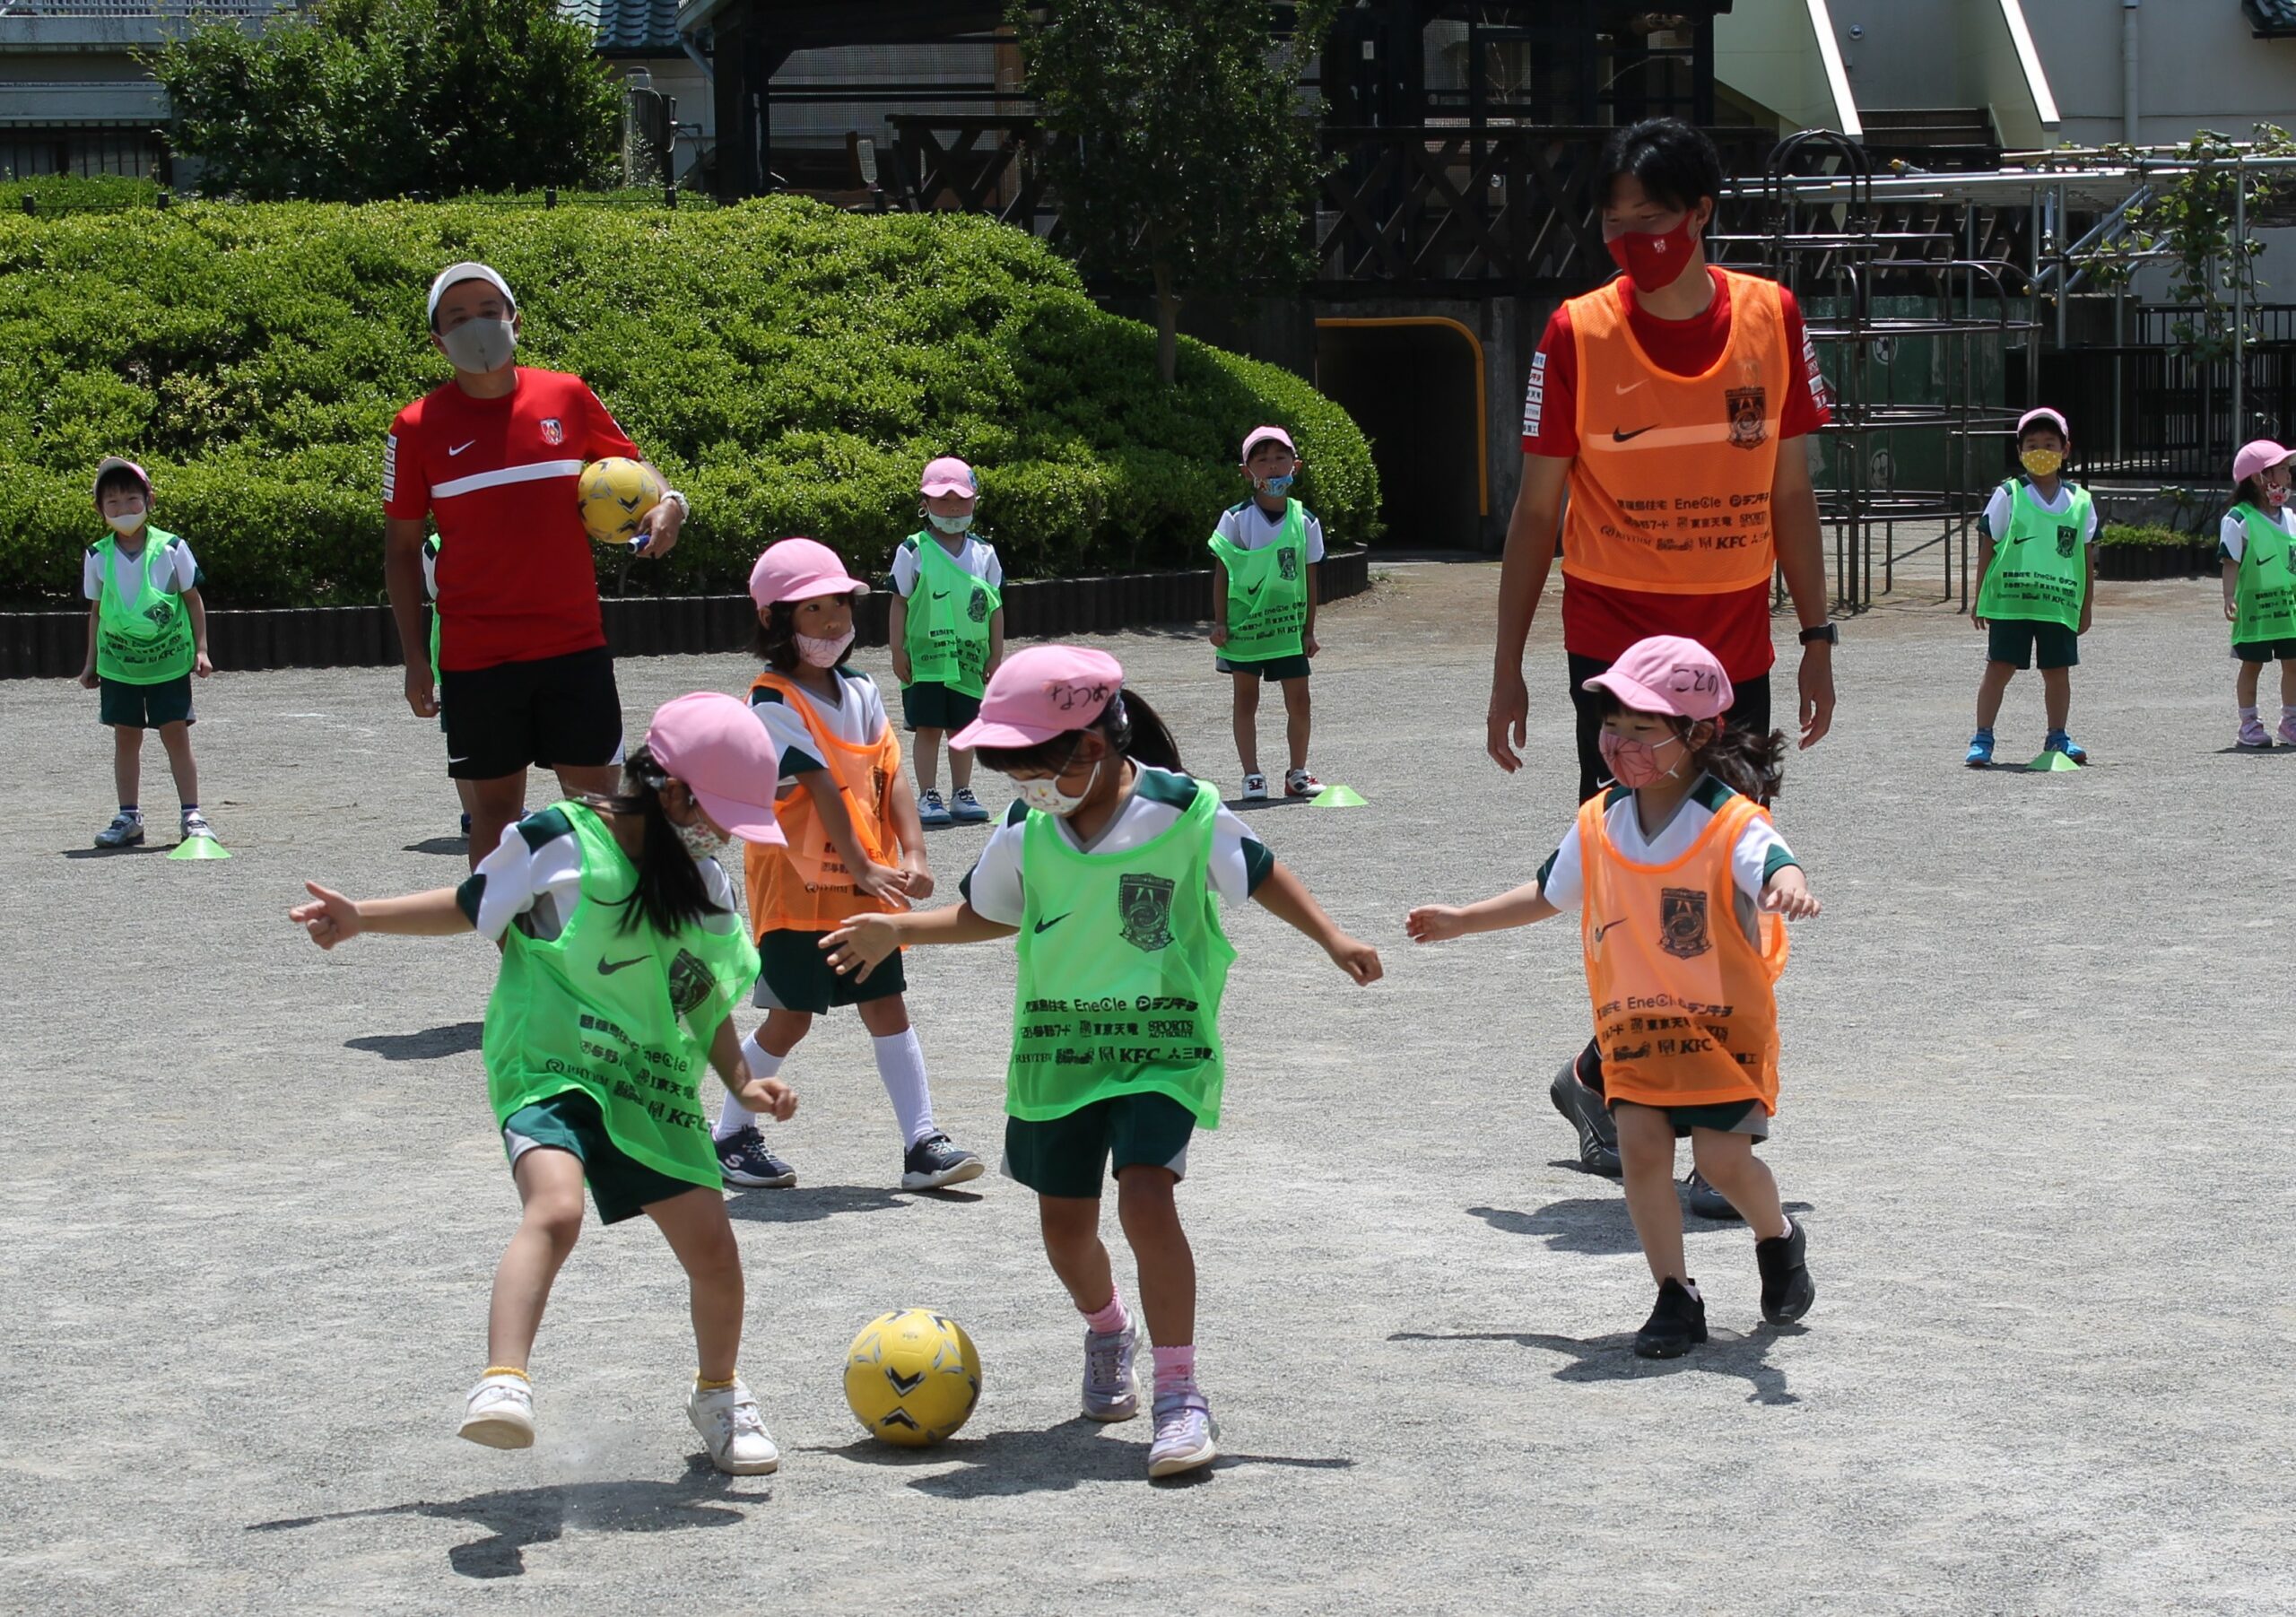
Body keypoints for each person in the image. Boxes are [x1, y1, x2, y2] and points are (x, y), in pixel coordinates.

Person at [820, 646, 1382, 1478]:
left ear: (1093, 744)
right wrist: (895, 928)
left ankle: (1181, 1394)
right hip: (1059, 1051)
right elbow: (987, 915)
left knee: (1148, 1200)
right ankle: (1109, 1326)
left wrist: (1333, 937)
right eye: (1012, 775)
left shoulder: (1185, 810)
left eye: (1033, 769)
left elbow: (1260, 872)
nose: (1025, 789)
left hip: (1161, 1044)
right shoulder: (1027, 829)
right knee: (1064, 1228)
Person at [288, 693, 797, 1474]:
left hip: (647, 1081)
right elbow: (470, 905)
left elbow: (699, 992)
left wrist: (743, 1079)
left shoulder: (705, 884)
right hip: (550, 1064)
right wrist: (364, 915)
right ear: (670, 789)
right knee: (555, 1209)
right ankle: (503, 1382)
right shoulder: (558, 838)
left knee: (715, 1252)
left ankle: (720, 1394)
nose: (724, 834)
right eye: (719, 813)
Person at [1485, 117, 1836, 1203]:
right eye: (1613, 222)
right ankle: (1666, 1123)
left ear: (1702, 216)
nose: (1632, 240)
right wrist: (1509, 666)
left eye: (1653, 220)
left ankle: (1624, 1088)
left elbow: (1790, 495)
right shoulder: (1573, 334)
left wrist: (1817, 638)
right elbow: (1536, 514)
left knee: (1726, 893)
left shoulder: (1772, 319)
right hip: (1618, 656)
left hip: (1731, 655)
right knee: (1635, 895)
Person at [1410, 636, 1818, 1359]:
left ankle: (1778, 1237)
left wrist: (1788, 884)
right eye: (1613, 723)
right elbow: (1548, 892)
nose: (1619, 742)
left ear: (1697, 735)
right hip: (1636, 1028)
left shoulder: (1730, 820)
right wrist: (1462, 919)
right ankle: (1674, 1293)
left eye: (1642, 727)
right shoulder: (1600, 820)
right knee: (1641, 1152)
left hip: (1724, 1031)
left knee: (1725, 1164)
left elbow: (1771, 861)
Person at [383, 261, 691, 869]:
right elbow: (399, 549)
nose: (477, 325)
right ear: (436, 339)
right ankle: (516, 957)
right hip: (475, 655)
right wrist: (415, 657)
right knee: (496, 821)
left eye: (489, 311)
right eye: (458, 316)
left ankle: (606, 946)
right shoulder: (416, 426)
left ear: (515, 321)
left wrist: (673, 504)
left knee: (600, 808)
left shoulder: (567, 395)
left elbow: (634, 466)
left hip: (572, 642)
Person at [713, 538, 982, 1194]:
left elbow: (889, 777)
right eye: (815, 611)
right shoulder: (770, 701)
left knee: (887, 1005)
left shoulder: (860, 688)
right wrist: (867, 866)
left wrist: (912, 852)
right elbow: (823, 789)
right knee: (790, 1018)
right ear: (776, 621)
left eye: (841, 606)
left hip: (864, 886)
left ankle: (923, 1141)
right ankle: (728, 1133)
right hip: (799, 891)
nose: (835, 623)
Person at [77, 457, 214, 848]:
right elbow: (97, 611)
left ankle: (192, 814)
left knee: (175, 735)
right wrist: (90, 662)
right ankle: (129, 816)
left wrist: (201, 650)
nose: (123, 509)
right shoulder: (97, 555)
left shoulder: (172, 547)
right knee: (126, 736)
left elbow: (193, 599)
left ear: (149, 499)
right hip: (119, 663)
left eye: (131, 499)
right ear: (100, 509)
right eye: (113, 502)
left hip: (168, 660)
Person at [1966, 407, 2098, 767]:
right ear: (2021, 452)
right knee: (1999, 668)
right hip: (2011, 602)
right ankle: (1982, 738)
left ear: (2065, 450)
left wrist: (2086, 607)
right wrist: (1979, 598)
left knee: (2057, 673)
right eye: (2033, 444)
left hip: (2057, 604)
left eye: (2050, 443)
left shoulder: (2081, 502)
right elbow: (1988, 545)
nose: (2042, 450)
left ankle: (2058, 737)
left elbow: (2086, 558)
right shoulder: (2009, 494)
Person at [1211, 426, 1325, 800]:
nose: (1272, 468)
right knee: (1246, 698)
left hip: (1287, 627)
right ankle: (1252, 775)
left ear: (1296, 465)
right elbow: (1223, 572)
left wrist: (1309, 630)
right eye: (1262, 460)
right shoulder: (1236, 519)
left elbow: (1309, 577)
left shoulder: (1304, 520)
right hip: (1247, 628)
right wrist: (1221, 623)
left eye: (1280, 458)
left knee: (1300, 700)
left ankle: (1298, 773)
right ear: (1247, 471)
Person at [890, 456, 1005, 825]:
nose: (953, 508)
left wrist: (996, 654)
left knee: (964, 729)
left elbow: (995, 606)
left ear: (975, 501)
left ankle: (962, 792)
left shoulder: (985, 552)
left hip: (970, 659)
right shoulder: (914, 549)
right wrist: (896, 650)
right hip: (926, 660)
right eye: (942, 500)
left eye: (961, 499)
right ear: (924, 505)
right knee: (928, 728)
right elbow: (899, 602)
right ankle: (928, 795)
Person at [2218, 439, 2296, 749]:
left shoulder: (2290, 517)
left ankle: (2290, 722)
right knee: (2252, 665)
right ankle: (2248, 724)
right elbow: (2230, 562)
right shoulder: (2238, 520)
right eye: (2281, 469)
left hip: (2288, 609)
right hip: (2255, 609)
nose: (2288, 475)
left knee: (2293, 663)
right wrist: (2228, 596)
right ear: (2259, 478)